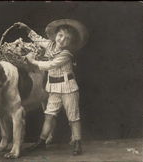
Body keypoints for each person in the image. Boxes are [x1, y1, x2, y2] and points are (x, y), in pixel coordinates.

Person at [14, 19, 88, 155]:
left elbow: (50, 65)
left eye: (67, 39)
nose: (62, 40)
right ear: (55, 35)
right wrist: (26, 28)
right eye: (60, 35)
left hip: (68, 87)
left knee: (73, 116)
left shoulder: (66, 54)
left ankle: (77, 142)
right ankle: (42, 142)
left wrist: (32, 61)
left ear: (71, 43)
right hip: (53, 87)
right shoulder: (49, 44)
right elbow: (37, 39)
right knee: (49, 115)